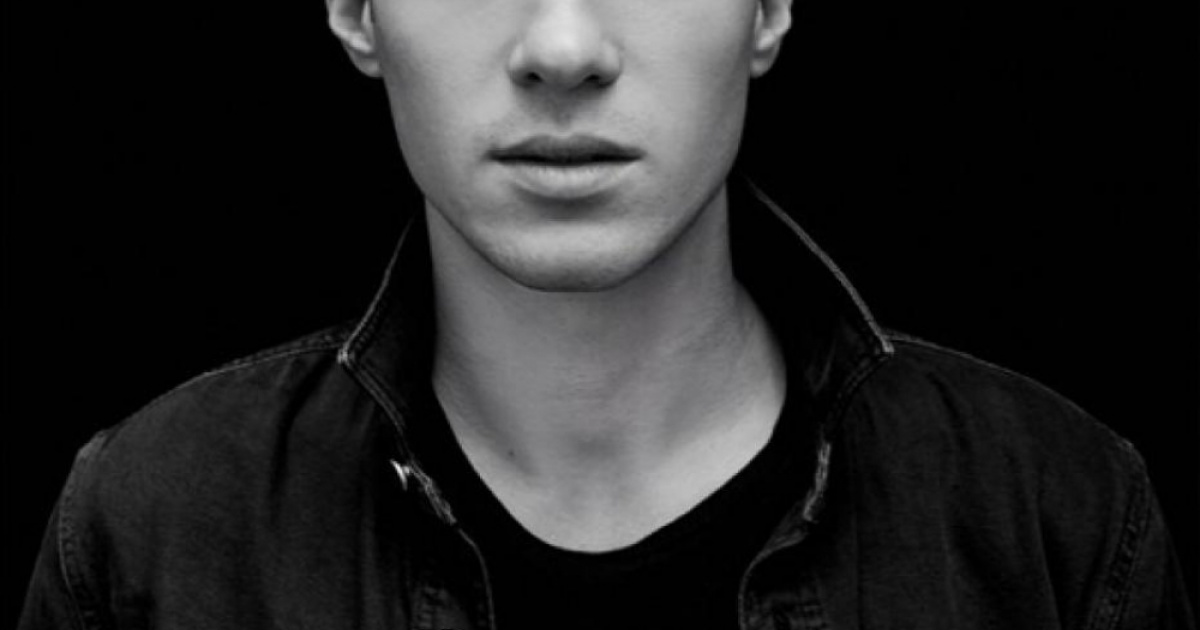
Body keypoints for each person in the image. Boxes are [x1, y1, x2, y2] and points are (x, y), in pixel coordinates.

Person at [18, 0, 1195, 627]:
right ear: (356, 11)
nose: (564, 48)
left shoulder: (1055, 517)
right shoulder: (155, 529)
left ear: (769, 9)